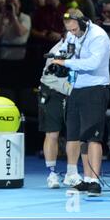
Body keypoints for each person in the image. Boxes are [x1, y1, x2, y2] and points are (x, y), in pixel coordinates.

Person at [51, 8, 110, 196]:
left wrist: (65, 63)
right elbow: (65, 50)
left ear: (84, 23)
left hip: (95, 89)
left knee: (93, 136)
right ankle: (86, 179)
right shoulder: (71, 35)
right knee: (80, 136)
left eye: (75, 30)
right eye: (69, 30)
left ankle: (94, 181)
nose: (72, 34)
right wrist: (60, 56)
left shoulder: (98, 36)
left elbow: (93, 63)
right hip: (76, 89)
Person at [38, 37, 73, 189]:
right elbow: (52, 77)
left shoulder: (85, 48)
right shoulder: (57, 50)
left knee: (75, 135)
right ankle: (52, 174)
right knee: (52, 134)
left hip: (73, 93)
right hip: (53, 91)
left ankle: (72, 173)